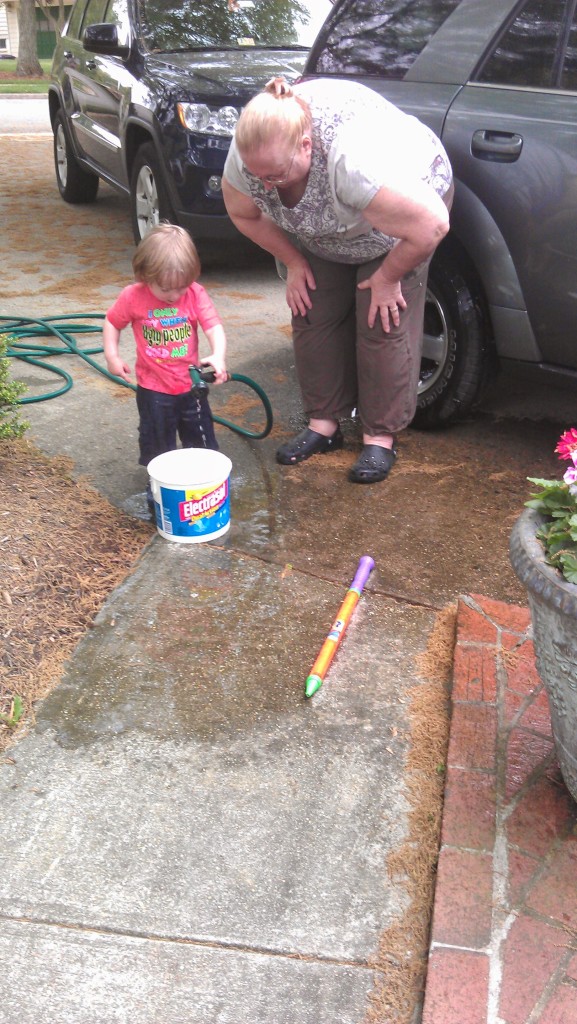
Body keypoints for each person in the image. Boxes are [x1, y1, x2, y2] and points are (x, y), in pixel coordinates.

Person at [222, 77, 453, 484]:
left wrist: (388, 277)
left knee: (381, 320)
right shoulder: (253, 152)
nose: (265, 187)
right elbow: (243, 213)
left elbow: (431, 224)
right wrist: (292, 260)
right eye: (257, 177)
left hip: (402, 221)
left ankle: (379, 438)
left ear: (306, 146)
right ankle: (323, 426)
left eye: (274, 176)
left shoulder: (351, 160)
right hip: (328, 227)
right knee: (311, 308)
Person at [103, 223, 227, 510]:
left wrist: (218, 355)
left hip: (190, 387)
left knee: (202, 437)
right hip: (153, 389)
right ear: (145, 275)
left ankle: (203, 486)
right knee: (157, 441)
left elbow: (213, 326)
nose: (174, 295)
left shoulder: (194, 293)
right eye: (165, 288)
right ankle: (159, 487)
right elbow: (112, 322)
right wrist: (112, 355)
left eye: (181, 287)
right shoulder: (133, 296)